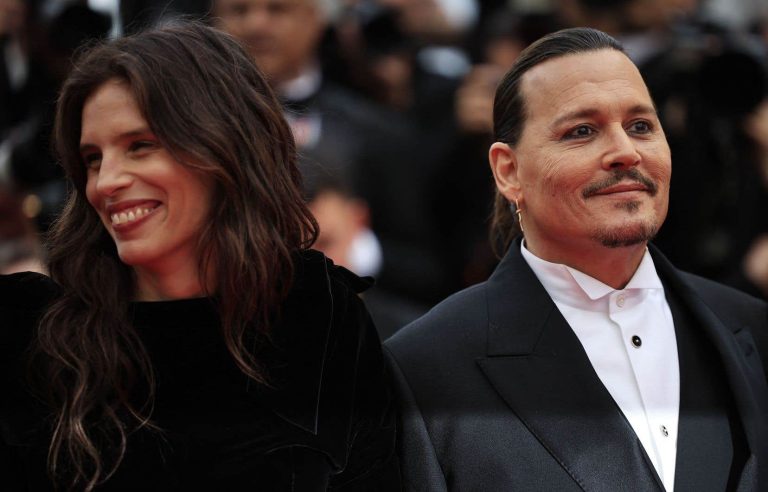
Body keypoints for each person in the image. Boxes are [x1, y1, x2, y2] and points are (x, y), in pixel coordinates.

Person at [0, 22, 399, 491]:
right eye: (92, 159)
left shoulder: (319, 314)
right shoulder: (31, 331)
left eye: (140, 146)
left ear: (222, 150)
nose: (105, 182)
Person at [385, 27, 768, 491]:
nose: (626, 152)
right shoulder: (423, 369)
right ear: (509, 171)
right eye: (581, 131)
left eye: (641, 126)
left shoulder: (751, 328)